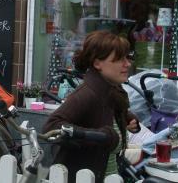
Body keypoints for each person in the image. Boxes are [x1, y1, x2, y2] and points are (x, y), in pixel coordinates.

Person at [43, 31, 140, 182]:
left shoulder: (111, 92)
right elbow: (51, 127)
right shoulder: (88, 94)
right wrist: (100, 136)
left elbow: (101, 115)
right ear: (97, 63)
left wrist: (124, 118)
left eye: (127, 57)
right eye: (119, 59)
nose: (127, 64)